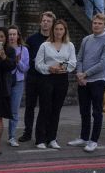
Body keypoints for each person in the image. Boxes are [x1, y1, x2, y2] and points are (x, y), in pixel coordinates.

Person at [70, 13, 105, 152]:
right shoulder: (86, 39)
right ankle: (83, 137)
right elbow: (80, 57)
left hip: (98, 81)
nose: (96, 25)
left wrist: (85, 74)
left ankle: (93, 140)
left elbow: (103, 64)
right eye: (95, 23)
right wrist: (79, 74)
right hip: (83, 81)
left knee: (96, 112)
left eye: (99, 23)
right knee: (84, 111)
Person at [33, 18, 76, 149]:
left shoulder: (70, 45)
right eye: (56, 29)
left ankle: (52, 138)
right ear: (53, 30)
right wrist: (50, 68)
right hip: (47, 78)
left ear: (65, 31)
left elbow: (73, 63)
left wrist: (64, 67)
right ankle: (40, 138)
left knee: (56, 110)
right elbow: (38, 64)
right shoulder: (45, 45)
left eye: (61, 29)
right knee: (45, 108)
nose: (58, 31)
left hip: (62, 79)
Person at [18, 12, 51, 145]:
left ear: (52, 24)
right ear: (40, 22)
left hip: (47, 79)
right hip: (32, 77)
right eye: (43, 20)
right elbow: (27, 58)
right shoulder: (32, 39)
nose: (45, 23)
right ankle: (27, 132)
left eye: (48, 21)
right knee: (29, 106)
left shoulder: (53, 41)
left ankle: (42, 133)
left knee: (45, 107)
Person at [5, 26, 30, 147]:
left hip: (18, 82)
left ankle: (12, 136)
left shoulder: (24, 50)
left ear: (18, 36)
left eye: (14, 34)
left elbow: (25, 68)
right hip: (4, 81)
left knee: (14, 111)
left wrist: (18, 61)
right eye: (10, 34)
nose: (12, 37)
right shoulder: (3, 48)